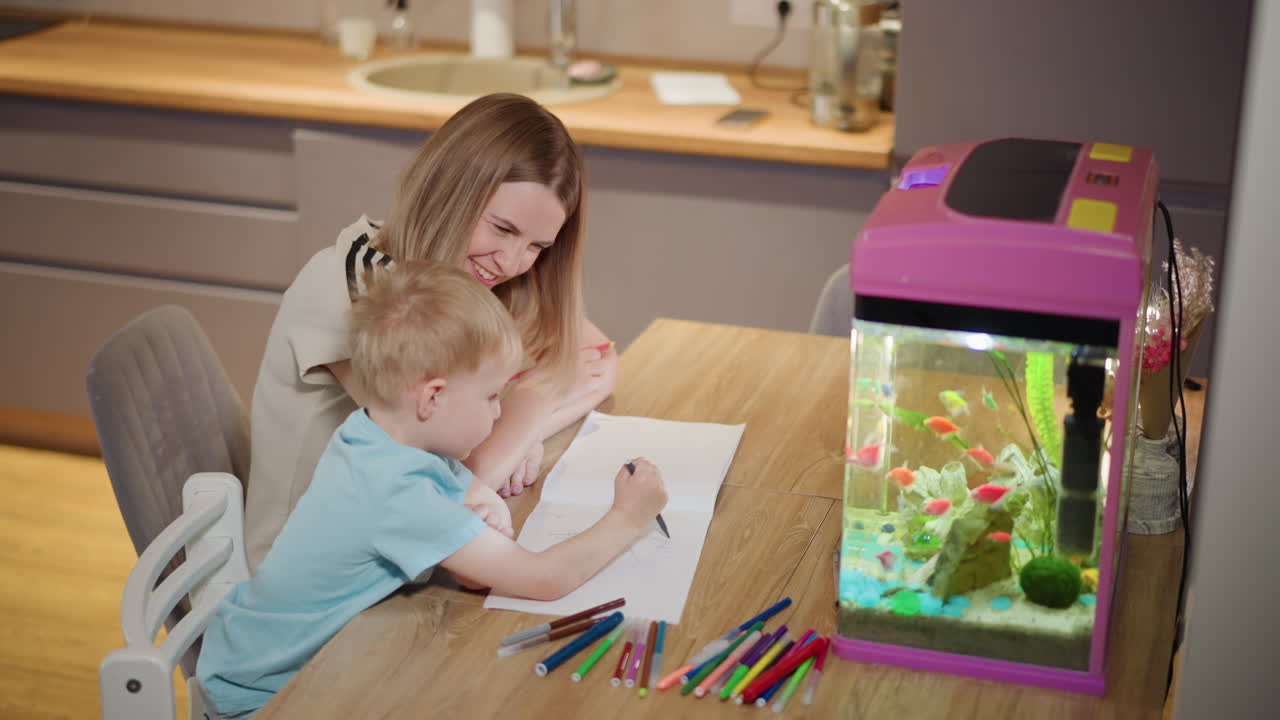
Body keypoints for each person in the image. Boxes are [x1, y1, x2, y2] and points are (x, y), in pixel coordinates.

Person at [197, 262, 666, 718]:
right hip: (269, 694)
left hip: (263, 650)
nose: (499, 413)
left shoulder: (371, 435)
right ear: (432, 397)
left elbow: (472, 568)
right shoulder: (397, 491)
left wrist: (473, 509)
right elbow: (542, 581)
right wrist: (629, 516)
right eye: (490, 397)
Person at [245, 93, 617, 568]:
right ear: (450, 192)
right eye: (501, 228)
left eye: (537, 246)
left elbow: (599, 357)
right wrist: (534, 408)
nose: (512, 262)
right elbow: (453, 482)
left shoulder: (464, 274)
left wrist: (522, 428)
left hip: (390, 556)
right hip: (305, 581)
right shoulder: (360, 292)